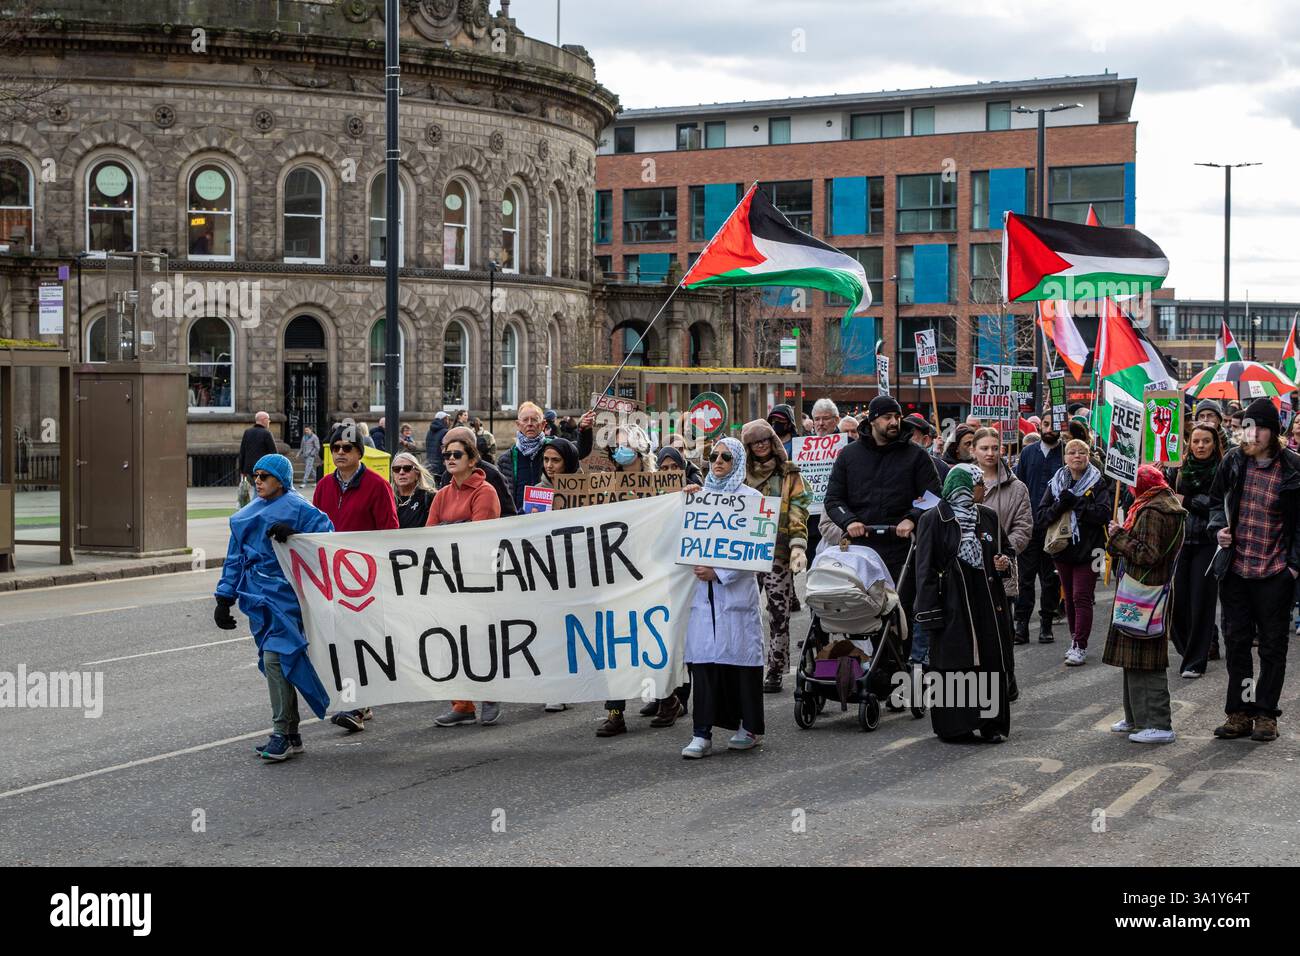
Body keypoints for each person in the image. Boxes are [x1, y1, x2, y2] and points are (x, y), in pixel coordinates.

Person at [215, 453, 334, 761]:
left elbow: (328, 539)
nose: (258, 480)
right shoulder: (246, 514)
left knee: (275, 658)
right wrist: (224, 596)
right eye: (256, 475)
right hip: (257, 599)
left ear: (280, 480)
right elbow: (235, 557)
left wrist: (295, 535)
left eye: (265, 476)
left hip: (288, 595)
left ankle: (281, 732)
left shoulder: (300, 509)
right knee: (278, 662)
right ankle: (292, 733)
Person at [1208, 397, 1300, 743]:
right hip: (1236, 570)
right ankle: (1240, 712)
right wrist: (1218, 529)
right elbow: (1217, 503)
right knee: (1236, 643)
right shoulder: (1233, 461)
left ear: (1274, 432)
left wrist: (1293, 567)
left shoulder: (1293, 467)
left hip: (1275, 572)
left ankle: (1266, 714)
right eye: (1248, 426)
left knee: (1273, 647)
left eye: (1260, 427)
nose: (1253, 433)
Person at [680, 437, 767, 758]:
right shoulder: (698, 498)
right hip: (702, 600)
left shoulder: (753, 499)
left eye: (726, 457)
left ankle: (749, 727)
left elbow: (757, 551)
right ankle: (701, 733)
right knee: (703, 665)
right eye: (713, 456)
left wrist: (721, 572)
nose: (717, 461)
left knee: (740, 666)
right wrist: (683, 501)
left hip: (735, 598)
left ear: (739, 462)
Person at [912, 465, 1012, 743]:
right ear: (965, 487)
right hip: (951, 601)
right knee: (956, 661)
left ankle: (991, 723)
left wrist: (1003, 563)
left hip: (987, 600)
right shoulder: (934, 518)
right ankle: (957, 726)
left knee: (989, 659)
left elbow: (1005, 552)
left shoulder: (988, 516)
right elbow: (925, 568)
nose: (985, 489)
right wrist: (929, 611)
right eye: (980, 484)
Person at [313, 423, 399, 732]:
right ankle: (358, 698)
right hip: (333, 578)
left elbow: (389, 529)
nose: (339, 453)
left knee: (359, 639)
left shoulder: (377, 485)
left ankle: (357, 704)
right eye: (335, 448)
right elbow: (314, 527)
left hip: (365, 577)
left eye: (346, 448)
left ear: (359, 453)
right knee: (340, 639)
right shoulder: (324, 486)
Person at [1104, 465, 1186, 744]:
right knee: (1133, 653)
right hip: (1144, 591)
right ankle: (1136, 717)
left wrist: (1118, 537)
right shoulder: (1161, 503)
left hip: (1144, 593)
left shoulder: (1152, 511)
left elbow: (1148, 554)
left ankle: (1158, 723)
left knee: (1146, 656)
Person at [428, 430, 504, 728]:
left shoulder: (485, 492)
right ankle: (461, 703)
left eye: (456, 454)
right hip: (447, 577)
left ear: (473, 460)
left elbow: (478, 535)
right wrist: (453, 528)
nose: (449, 459)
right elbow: (429, 533)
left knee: (479, 638)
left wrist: (450, 529)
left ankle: (490, 695)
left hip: (478, 576)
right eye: (446, 454)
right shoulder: (442, 494)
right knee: (451, 639)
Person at [741, 417, 812, 693]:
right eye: (754, 442)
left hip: (777, 552)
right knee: (743, 611)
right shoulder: (739, 474)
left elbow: (799, 507)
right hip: (744, 553)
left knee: (778, 612)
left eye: (764, 440)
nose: (760, 446)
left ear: (772, 441)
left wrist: (797, 545)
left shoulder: (789, 473)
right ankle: (745, 664)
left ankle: (775, 668)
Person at [1040, 438, 1112, 666]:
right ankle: (1074, 640)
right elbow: (1042, 516)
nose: (1077, 456)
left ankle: (1080, 645)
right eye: (1072, 452)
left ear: (1088, 456)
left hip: (1092, 550)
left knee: (1082, 597)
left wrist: (1077, 503)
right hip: (1063, 549)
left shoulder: (1098, 483)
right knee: (1069, 597)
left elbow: (1103, 514)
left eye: (1082, 452)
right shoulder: (1056, 482)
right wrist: (1060, 504)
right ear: (1065, 457)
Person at [972, 427, 1032, 700]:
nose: (990, 453)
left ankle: (1007, 676)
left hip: (1000, 569)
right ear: (973, 450)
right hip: (970, 570)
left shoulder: (1017, 487)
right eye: (984, 448)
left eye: (995, 448)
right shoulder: (963, 481)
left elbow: (1023, 526)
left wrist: (1007, 551)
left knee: (1002, 629)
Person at [1170, 423, 1223, 677]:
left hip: (1207, 542)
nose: (1201, 446)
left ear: (1215, 444)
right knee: (1178, 604)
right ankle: (1187, 648)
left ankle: (1195, 661)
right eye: (1196, 441)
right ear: (1189, 444)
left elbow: (1217, 506)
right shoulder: (1180, 471)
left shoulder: (1221, 470)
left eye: (1206, 441)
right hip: (1181, 542)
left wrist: (1189, 500)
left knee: (1201, 603)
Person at [1014, 418, 1064, 644]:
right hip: (1029, 525)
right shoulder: (1028, 453)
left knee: (1050, 578)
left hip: (1055, 526)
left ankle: (1046, 623)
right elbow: (1019, 486)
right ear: (1040, 426)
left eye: (1055, 424)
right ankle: (1021, 625)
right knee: (1025, 578)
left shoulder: (1065, 453)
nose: (1050, 429)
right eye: (1046, 424)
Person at [444, 426, 516, 517]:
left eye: (456, 453)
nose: (448, 455)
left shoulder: (492, 475)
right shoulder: (446, 478)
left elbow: (508, 514)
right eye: (445, 449)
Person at [498, 402, 548, 512]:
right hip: (517, 521)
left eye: (534, 420)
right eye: (525, 420)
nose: (529, 424)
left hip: (549, 519)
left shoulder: (552, 450)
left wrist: (584, 430)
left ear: (543, 424)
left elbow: (580, 453)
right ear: (518, 424)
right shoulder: (506, 459)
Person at [238, 411, 279, 507]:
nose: (269, 422)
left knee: (258, 490)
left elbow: (242, 451)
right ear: (264, 420)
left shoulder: (247, 432)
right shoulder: (266, 433)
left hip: (248, 469)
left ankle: (254, 510)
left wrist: (242, 470)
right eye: (268, 420)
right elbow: (274, 453)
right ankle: (252, 510)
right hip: (262, 470)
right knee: (260, 492)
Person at [391, 451, 436, 529]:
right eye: (396, 469)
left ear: (417, 473)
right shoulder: (386, 499)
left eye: (407, 468)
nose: (401, 472)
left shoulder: (430, 497)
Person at [904, 412, 950, 481]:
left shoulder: (941, 468)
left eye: (910, 435)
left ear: (925, 440)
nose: (904, 439)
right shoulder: (890, 463)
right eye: (902, 434)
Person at [425, 411, 450, 485]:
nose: (449, 421)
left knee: (435, 484)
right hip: (441, 464)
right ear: (444, 419)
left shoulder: (430, 431)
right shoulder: (445, 432)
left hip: (430, 463)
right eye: (447, 419)